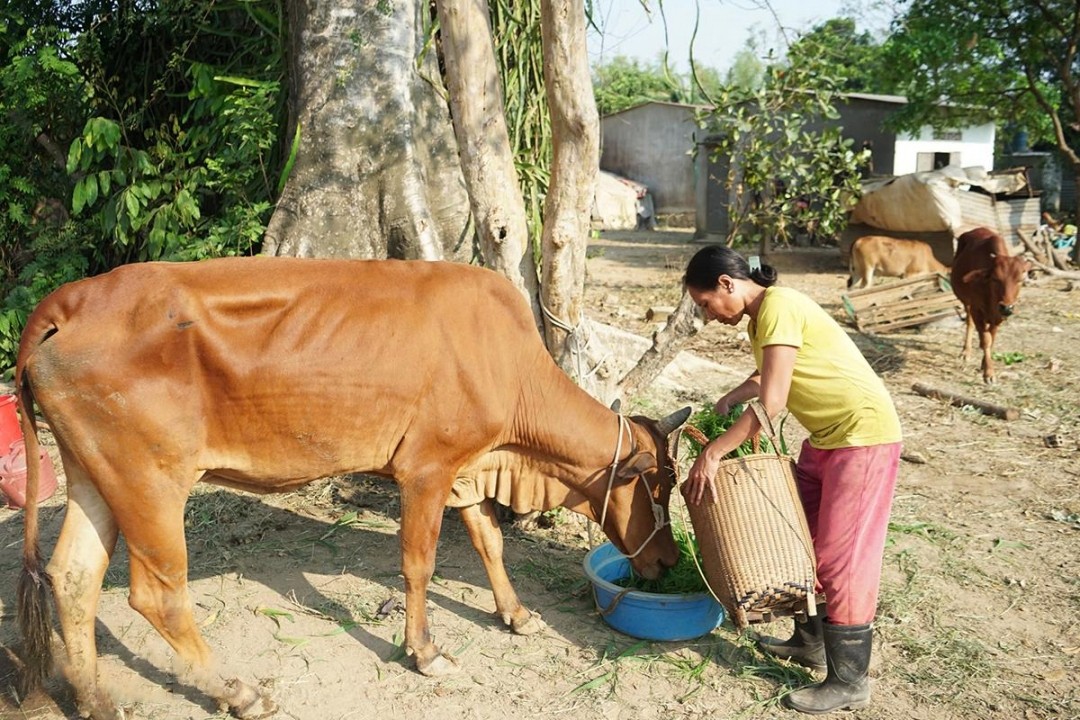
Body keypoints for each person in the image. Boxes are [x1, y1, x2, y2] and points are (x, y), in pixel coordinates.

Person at [681, 245, 903, 715]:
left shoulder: (779, 304)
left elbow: (774, 402)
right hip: (827, 439)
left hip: (862, 436)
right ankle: (810, 641)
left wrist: (714, 450)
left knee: (843, 559)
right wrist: (733, 395)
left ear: (727, 284)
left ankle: (850, 680)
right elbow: (770, 378)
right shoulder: (761, 319)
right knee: (802, 540)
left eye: (705, 303)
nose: (707, 314)